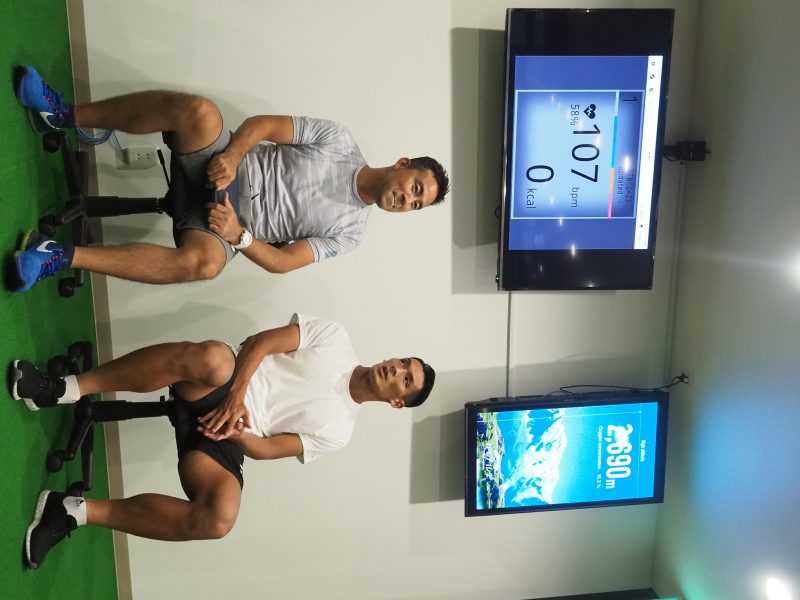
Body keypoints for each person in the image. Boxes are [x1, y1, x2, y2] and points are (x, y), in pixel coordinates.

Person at [11, 313, 435, 569]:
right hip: (225, 381)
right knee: (214, 358)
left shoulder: (340, 430)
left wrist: (238, 430)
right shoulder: (336, 338)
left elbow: (271, 448)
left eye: (406, 379)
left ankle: (71, 510)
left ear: (397, 402)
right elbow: (260, 343)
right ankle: (64, 388)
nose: (396, 369)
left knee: (220, 518)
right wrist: (236, 395)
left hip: (234, 434)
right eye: (403, 362)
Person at [12, 66, 450, 292]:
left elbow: (282, 262)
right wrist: (235, 154)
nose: (406, 200)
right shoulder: (339, 140)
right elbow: (263, 125)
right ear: (403, 163)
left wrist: (239, 236)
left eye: (416, 205)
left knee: (205, 265)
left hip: (228, 224)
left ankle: (57, 256)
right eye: (415, 188)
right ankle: (62, 114)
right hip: (220, 161)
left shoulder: (350, 234)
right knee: (200, 112)